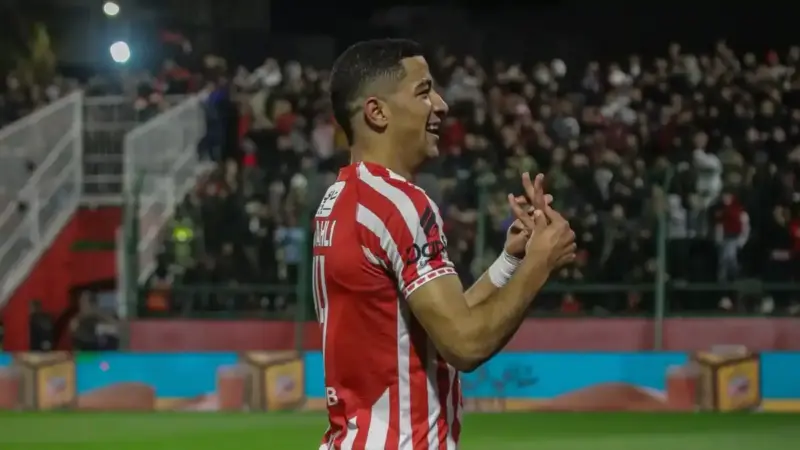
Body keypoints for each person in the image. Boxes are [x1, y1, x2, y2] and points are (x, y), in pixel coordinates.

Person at [314, 39, 576, 449]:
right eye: (423, 92)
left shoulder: (341, 199)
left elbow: (439, 324)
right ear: (377, 112)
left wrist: (511, 260)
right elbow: (465, 344)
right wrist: (540, 264)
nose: (441, 105)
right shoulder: (400, 204)